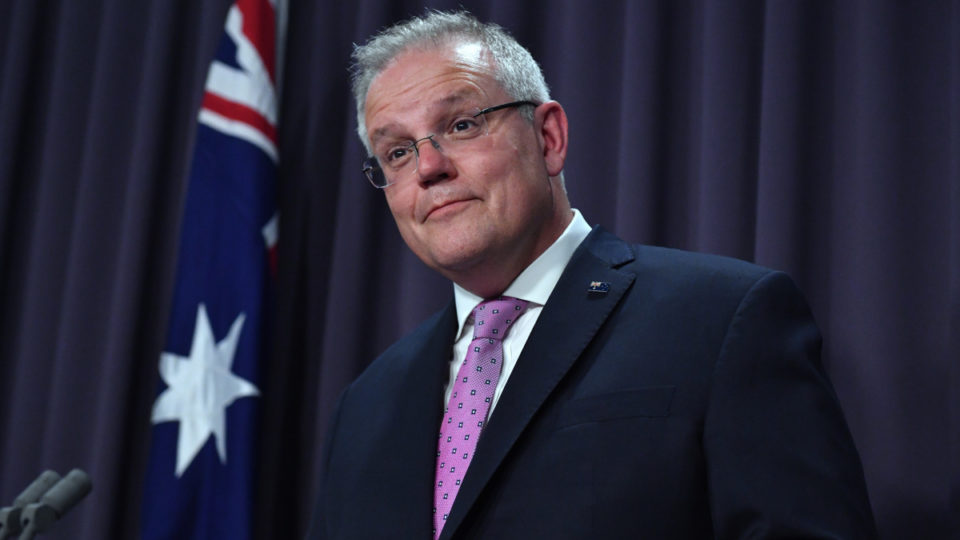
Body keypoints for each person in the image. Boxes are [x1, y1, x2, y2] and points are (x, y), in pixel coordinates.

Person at [309, 10, 877, 539]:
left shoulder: (723, 319)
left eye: (460, 124)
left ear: (548, 138)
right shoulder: (365, 404)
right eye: (398, 153)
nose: (429, 168)